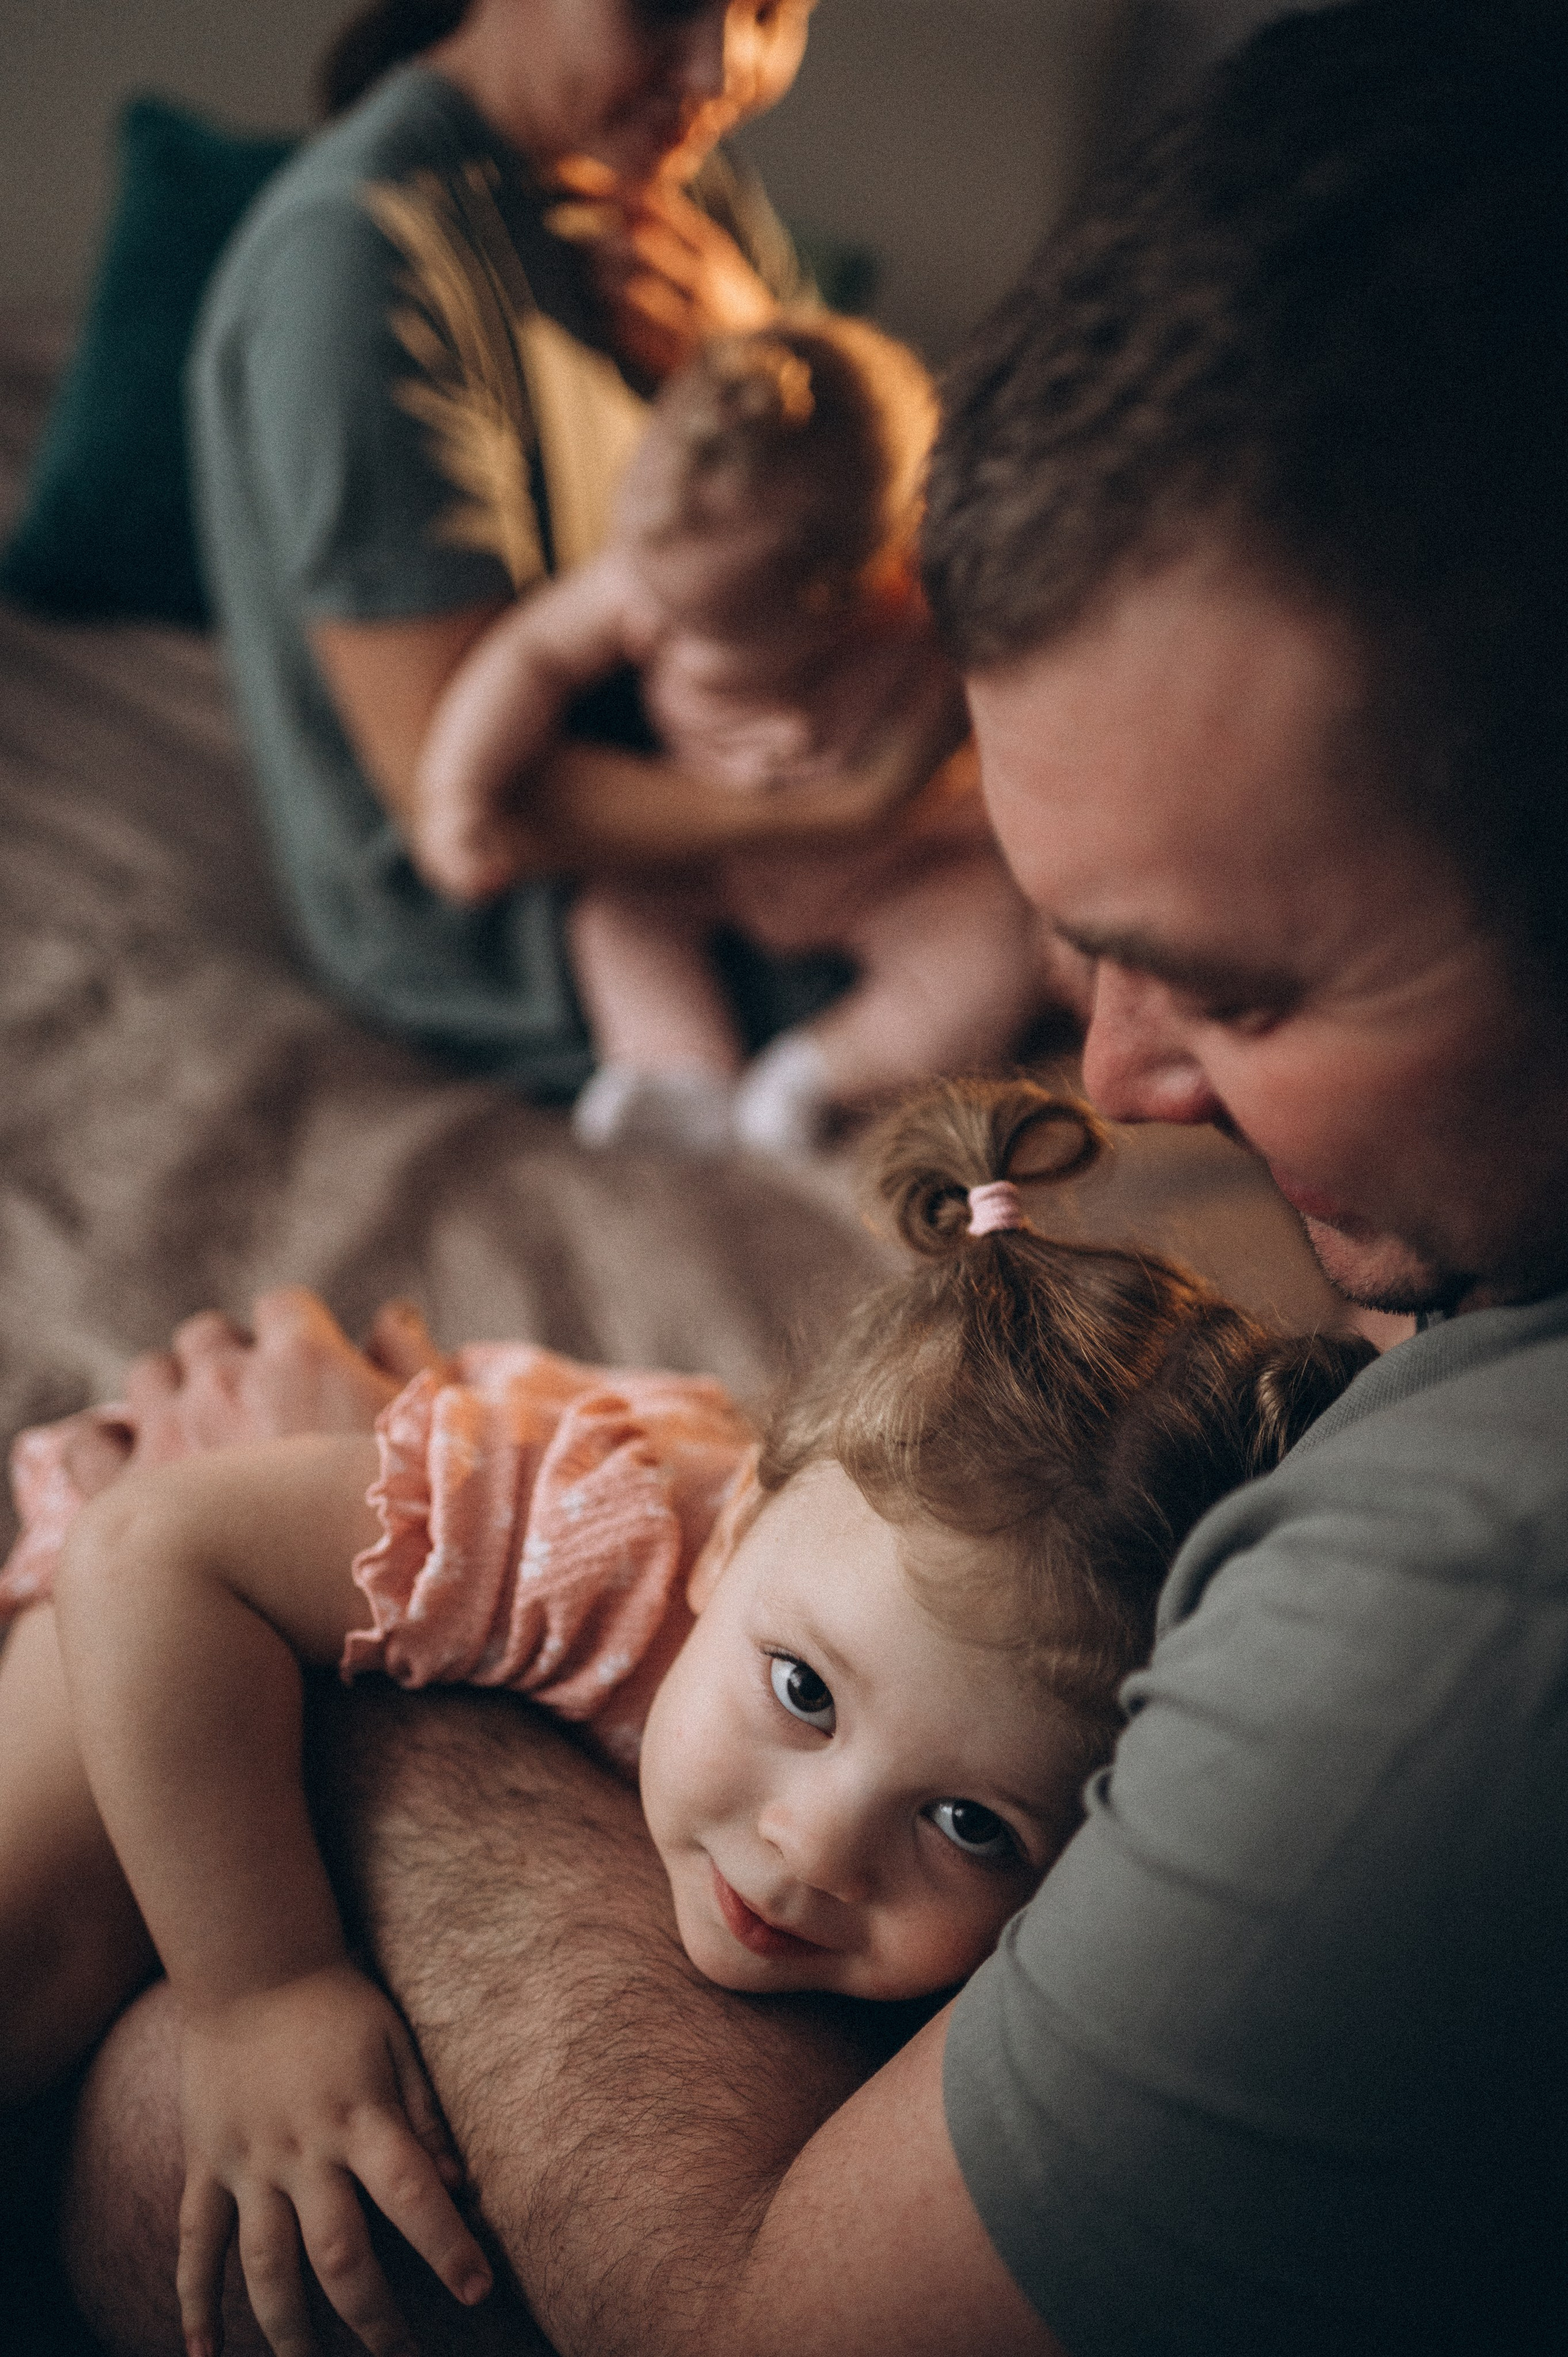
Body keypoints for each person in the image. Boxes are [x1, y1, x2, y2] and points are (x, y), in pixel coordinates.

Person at [58, 3, 1568, 2353]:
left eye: (1245, 984)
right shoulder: (411, 259)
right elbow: (178, 1556)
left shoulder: (1479, 1590)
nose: (1121, 1080)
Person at [0, 1082, 1365, 2351]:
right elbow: (152, 1557)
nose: (815, 1846)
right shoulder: (593, 1538)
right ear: (737, 1536)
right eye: (802, 1693)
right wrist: (267, 1990)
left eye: (967, 1823)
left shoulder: (948, 1709)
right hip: (197, 1583)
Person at [189, 0, 924, 1099]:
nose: (727, 65)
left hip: (745, 803)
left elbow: (894, 533)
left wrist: (744, 344)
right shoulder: (360, 262)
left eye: (773, 9)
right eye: (666, 5)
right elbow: (476, 790)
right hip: (538, 921)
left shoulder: (665, 175)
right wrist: (848, 807)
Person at [414, 315, 1049, 1154]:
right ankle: (677, 1068)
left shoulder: (923, 610)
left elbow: (995, 689)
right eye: (645, 592)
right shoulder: (646, 581)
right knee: (613, 918)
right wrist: (456, 793)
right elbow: (528, 658)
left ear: (849, 595)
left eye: (702, 626)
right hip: (711, 855)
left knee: (996, 945)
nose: (651, 619)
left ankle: (820, 1072)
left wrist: (909, 761)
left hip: (902, 868)